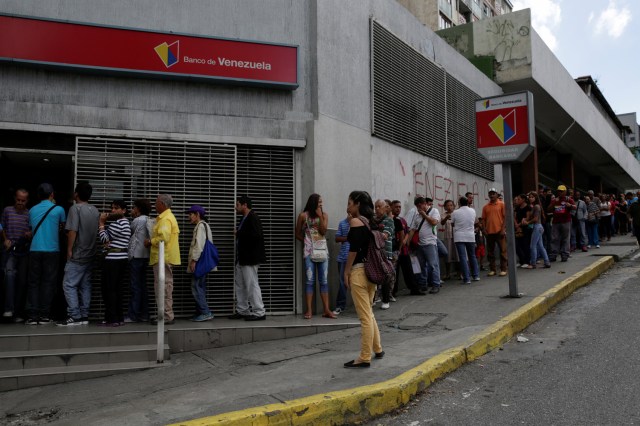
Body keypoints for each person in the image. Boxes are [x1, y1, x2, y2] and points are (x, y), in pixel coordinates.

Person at [343, 190, 383, 368]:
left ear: (358, 204)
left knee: (364, 317)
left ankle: (364, 357)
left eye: (350, 202)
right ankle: (378, 348)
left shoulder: (356, 221)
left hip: (359, 271)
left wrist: (346, 271)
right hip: (371, 272)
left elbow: (353, 249)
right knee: (370, 313)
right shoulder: (371, 222)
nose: (348, 206)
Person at [57, 182, 100, 326]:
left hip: (78, 253)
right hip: (91, 254)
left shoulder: (75, 209)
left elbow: (72, 231)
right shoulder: (95, 210)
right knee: (85, 285)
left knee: (68, 284)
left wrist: (69, 250)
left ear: (76, 194)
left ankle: (74, 316)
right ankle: (84, 315)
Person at [26, 183, 66, 325]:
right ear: (52, 195)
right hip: (52, 250)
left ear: (38, 196)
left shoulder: (31, 210)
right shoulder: (59, 209)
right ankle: (44, 315)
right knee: (48, 283)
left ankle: (32, 315)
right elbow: (62, 228)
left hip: (34, 249)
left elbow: (31, 228)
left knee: (33, 283)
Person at [295, 193, 334, 319]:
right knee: (310, 281)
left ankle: (326, 310)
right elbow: (297, 233)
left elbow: (323, 231)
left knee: (323, 281)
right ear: (313, 203)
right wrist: (307, 242)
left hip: (322, 251)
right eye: (319, 202)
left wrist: (320, 217)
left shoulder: (324, 215)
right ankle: (309, 310)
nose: (321, 204)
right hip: (309, 252)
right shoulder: (303, 216)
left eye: (321, 202)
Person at [229, 195, 266, 321]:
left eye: (238, 204)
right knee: (240, 284)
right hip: (242, 258)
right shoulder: (244, 218)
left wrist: (239, 233)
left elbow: (256, 235)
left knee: (252, 284)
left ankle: (259, 311)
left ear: (245, 205)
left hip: (250, 258)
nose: (236, 207)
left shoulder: (253, 218)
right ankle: (242, 310)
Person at [97, 200, 131, 326]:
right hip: (121, 259)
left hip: (112, 260)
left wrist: (101, 224)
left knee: (109, 290)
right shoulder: (126, 223)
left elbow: (104, 239)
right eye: (112, 208)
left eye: (116, 208)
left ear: (123, 210)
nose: (113, 211)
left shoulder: (118, 224)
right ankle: (118, 317)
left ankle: (112, 318)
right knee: (117, 289)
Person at [148, 194, 180, 325]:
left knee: (164, 287)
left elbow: (163, 238)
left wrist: (150, 241)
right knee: (163, 286)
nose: (154, 205)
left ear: (162, 204)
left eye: (156, 203)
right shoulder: (165, 217)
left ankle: (167, 316)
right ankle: (165, 315)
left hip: (164, 258)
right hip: (162, 258)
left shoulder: (165, 219)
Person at [2, 189, 31, 322]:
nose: (20, 202)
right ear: (15, 198)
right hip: (10, 250)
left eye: (23, 200)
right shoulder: (7, 210)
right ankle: (8, 309)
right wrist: (5, 239)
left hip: (23, 251)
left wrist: (29, 234)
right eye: (18, 200)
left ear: (27, 201)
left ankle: (18, 313)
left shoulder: (29, 213)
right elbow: (1, 225)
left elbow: (32, 229)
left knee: (22, 282)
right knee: (9, 276)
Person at [186, 205, 214, 322]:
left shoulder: (201, 226)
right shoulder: (204, 226)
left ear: (197, 214)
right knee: (200, 287)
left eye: (190, 214)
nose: (189, 217)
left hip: (199, 263)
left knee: (196, 287)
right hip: (203, 263)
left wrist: (194, 261)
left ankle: (205, 312)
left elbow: (199, 246)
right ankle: (199, 312)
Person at [408, 197, 442, 293]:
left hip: (430, 243)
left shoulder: (434, 211)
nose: (419, 208)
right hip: (420, 244)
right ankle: (423, 284)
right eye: (417, 207)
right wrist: (408, 242)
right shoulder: (417, 215)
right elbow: (412, 230)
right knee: (421, 266)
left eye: (420, 206)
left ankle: (436, 284)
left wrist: (425, 215)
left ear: (424, 204)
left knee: (433, 265)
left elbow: (434, 222)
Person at [126, 198, 151, 323]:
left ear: (138, 209)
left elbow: (129, 232)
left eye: (134, 207)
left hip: (136, 256)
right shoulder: (149, 220)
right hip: (146, 256)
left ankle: (133, 314)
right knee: (143, 286)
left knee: (135, 286)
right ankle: (145, 314)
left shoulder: (137, 220)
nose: (132, 210)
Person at [391, 200, 422, 296]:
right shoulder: (389, 220)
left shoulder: (402, 220)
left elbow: (407, 232)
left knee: (409, 270)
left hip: (404, 251)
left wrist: (405, 239)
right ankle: (392, 292)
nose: (398, 209)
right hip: (393, 251)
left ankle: (414, 289)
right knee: (394, 272)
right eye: (396, 207)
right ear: (391, 207)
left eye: (399, 207)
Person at [451, 196, 479, 284]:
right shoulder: (472, 211)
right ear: (467, 202)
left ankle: (466, 278)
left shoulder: (455, 212)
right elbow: (474, 222)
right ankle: (476, 275)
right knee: (472, 256)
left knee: (462, 257)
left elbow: (452, 224)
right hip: (470, 236)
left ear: (459, 203)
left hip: (459, 237)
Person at [372, 199, 395, 309]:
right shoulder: (372, 220)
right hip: (374, 252)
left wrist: (373, 233)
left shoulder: (389, 220)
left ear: (385, 208)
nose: (376, 209)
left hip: (385, 252)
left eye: (379, 206)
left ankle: (385, 300)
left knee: (385, 276)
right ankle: (374, 298)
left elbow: (385, 235)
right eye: (375, 206)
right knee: (372, 275)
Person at [481, 188, 507, 277]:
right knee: (490, 252)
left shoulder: (502, 204)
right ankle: (493, 269)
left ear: (497, 194)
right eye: (490, 194)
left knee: (502, 251)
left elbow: (505, 218)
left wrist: (503, 229)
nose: (492, 195)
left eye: (493, 193)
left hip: (499, 231)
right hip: (489, 232)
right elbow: (483, 220)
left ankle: (503, 269)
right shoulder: (485, 207)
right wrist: (484, 229)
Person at [548, 185, 576, 262]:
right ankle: (553, 255)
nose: (559, 192)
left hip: (566, 221)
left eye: (561, 191)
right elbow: (549, 209)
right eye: (558, 191)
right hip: (556, 222)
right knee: (554, 238)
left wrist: (570, 205)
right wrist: (553, 202)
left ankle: (564, 255)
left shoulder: (568, 199)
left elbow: (575, 207)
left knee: (566, 238)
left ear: (565, 192)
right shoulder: (555, 200)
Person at [522, 192, 550, 269]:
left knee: (532, 246)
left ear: (535, 198)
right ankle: (547, 262)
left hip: (537, 227)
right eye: (530, 197)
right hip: (538, 227)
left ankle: (533, 263)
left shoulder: (536, 206)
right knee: (540, 246)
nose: (530, 198)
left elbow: (536, 219)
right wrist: (525, 220)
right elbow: (531, 217)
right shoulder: (534, 206)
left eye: (532, 197)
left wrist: (527, 222)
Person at [333, 214, 350, 315]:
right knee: (343, 283)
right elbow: (337, 238)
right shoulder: (342, 223)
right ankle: (340, 305)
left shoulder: (358, 223)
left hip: (356, 258)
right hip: (343, 257)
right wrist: (349, 237)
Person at [439, 199, 459, 280]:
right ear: (445, 207)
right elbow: (442, 223)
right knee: (448, 255)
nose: (449, 207)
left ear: (454, 206)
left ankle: (459, 273)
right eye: (447, 205)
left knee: (457, 254)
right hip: (447, 236)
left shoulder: (456, 214)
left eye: (451, 205)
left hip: (456, 236)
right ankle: (448, 273)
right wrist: (446, 217)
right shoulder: (443, 215)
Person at [514, 194, 531, 268]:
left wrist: (519, 225)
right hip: (517, 228)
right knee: (517, 245)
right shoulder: (517, 208)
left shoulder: (528, 207)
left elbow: (527, 217)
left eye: (519, 199)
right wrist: (516, 225)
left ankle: (527, 261)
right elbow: (514, 216)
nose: (517, 201)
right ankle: (521, 260)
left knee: (525, 245)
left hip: (525, 227)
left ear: (523, 199)